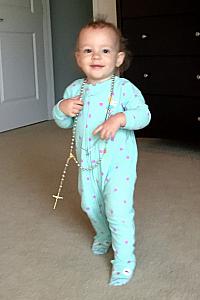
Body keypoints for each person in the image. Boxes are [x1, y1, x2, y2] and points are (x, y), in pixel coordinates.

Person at [52, 18, 151, 286]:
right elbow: (63, 123)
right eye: (87, 50)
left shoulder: (124, 89)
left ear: (118, 58)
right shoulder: (74, 90)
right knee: (89, 204)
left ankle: (124, 258)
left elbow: (143, 115)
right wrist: (61, 108)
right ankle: (104, 234)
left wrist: (120, 118)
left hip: (119, 164)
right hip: (87, 163)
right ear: (78, 57)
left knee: (117, 208)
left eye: (105, 50)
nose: (96, 56)